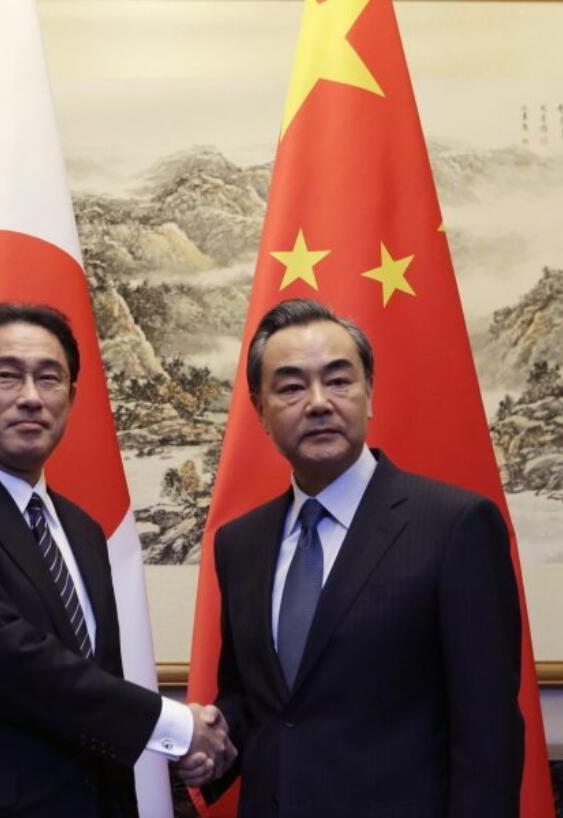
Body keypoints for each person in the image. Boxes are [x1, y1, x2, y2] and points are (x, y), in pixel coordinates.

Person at [0, 303, 234, 818]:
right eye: (6, 377)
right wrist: (176, 728)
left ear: (72, 397)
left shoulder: (82, 531)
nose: (31, 398)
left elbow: (90, 688)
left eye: (49, 379)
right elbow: (7, 658)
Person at [180, 298, 523, 817]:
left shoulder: (454, 526)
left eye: (339, 381)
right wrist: (211, 737)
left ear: (369, 395)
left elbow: (488, 734)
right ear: (260, 411)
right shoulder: (240, 543)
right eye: (292, 387)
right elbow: (256, 699)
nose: (318, 402)